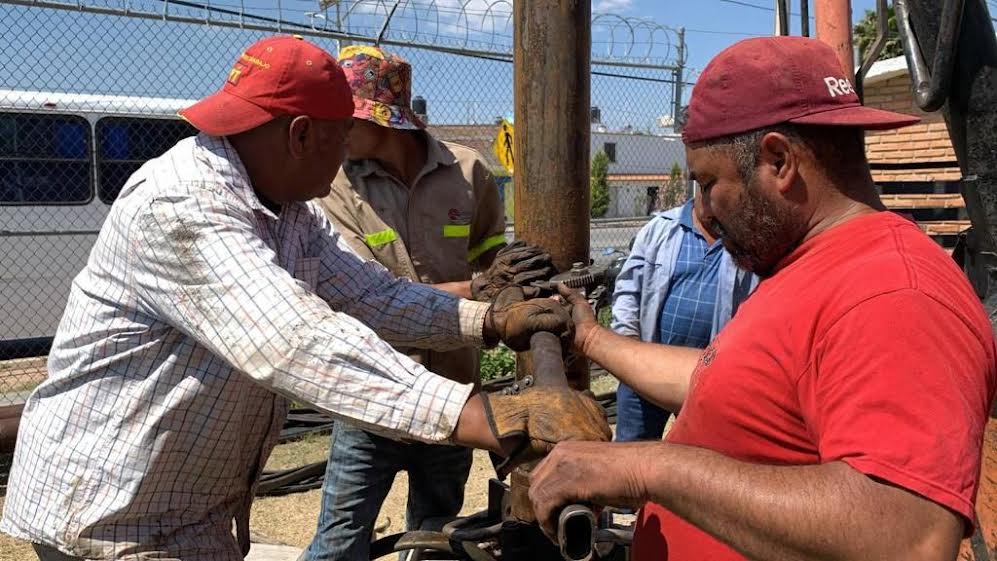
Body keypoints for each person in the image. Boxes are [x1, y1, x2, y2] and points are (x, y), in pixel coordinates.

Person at [0, 35, 610, 561]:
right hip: (115, 518)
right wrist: (488, 417)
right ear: (300, 135)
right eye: (341, 140)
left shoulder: (287, 209)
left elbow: (369, 295)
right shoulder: (184, 204)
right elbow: (296, 341)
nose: (346, 156)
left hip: (185, 511)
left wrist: (488, 319)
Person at [529, 36, 997, 561]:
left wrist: (644, 467)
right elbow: (725, 383)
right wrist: (590, 336)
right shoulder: (814, 265)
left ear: (778, 160)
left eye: (709, 182)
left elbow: (906, 538)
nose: (703, 208)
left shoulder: (894, 293)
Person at [301, 46, 543, 561]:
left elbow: (489, 261)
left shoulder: (468, 173)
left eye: (347, 121)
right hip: (372, 395)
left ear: (385, 121)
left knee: (437, 538)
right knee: (338, 544)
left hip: (454, 391)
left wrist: (506, 284)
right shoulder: (334, 189)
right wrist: (479, 293)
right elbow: (367, 299)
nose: (338, 134)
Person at [612, 189, 756, 442]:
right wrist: (629, 344)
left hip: (705, 376)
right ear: (699, 189)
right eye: (708, 188)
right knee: (632, 450)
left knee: (699, 454)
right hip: (646, 368)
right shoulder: (661, 229)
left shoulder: (744, 240)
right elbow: (628, 289)